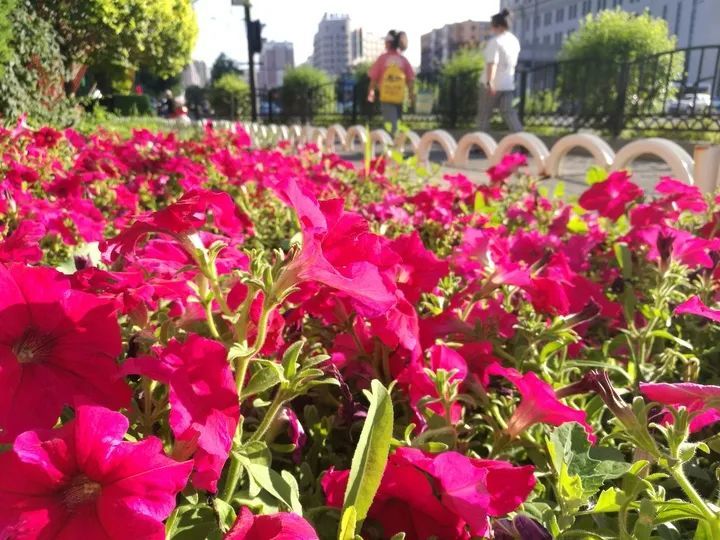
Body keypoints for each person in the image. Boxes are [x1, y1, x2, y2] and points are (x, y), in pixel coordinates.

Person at [477, 9, 523, 133]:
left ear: (496, 26)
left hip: (493, 85)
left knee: (484, 115)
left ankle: (482, 144)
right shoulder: (514, 41)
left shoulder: (495, 42)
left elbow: (492, 63)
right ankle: (521, 139)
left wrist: (490, 82)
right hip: (508, 83)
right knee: (509, 112)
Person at [368, 30, 415, 135]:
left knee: (390, 127)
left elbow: (373, 78)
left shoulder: (383, 59)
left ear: (389, 43)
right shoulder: (403, 60)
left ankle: (391, 147)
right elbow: (410, 80)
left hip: (386, 97)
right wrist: (411, 96)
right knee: (397, 123)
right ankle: (396, 145)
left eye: (385, 41)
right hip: (399, 97)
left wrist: (371, 92)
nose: (384, 43)